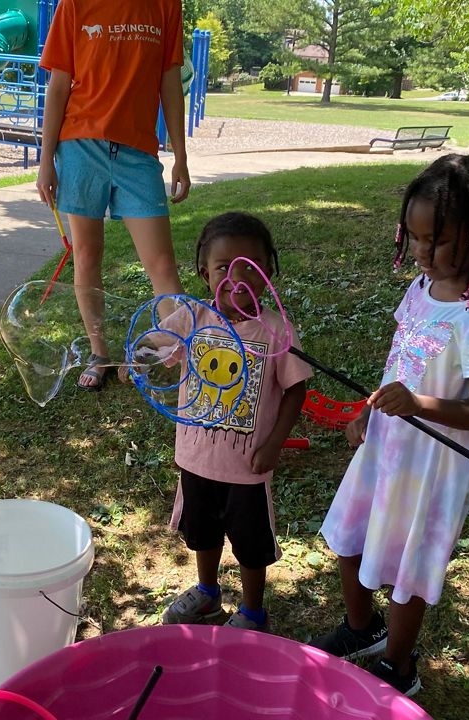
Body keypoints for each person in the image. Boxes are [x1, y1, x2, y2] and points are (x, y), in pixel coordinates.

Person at [309, 155, 469, 697]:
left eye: (438, 241)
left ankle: (398, 666)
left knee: (407, 568)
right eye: (416, 238)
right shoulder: (420, 292)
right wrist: (366, 410)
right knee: (349, 536)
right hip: (385, 447)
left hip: (431, 468)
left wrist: (420, 404)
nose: (423, 253)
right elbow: (398, 363)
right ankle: (362, 629)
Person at [156, 212, 311, 632]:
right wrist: (136, 358)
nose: (237, 276)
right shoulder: (192, 319)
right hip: (196, 460)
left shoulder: (276, 331)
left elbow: (296, 389)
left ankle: (253, 611)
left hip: (246, 469)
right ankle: (207, 593)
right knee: (202, 533)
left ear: (268, 273)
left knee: (250, 545)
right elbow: (158, 349)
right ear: (205, 273)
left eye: (250, 266)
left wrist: (275, 442)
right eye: (224, 266)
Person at [36, 0, 192, 390]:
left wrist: (181, 155)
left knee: (162, 263)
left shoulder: (165, 6)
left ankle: (174, 348)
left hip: (138, 152)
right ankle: (99, 353)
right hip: (79, 147)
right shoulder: (74, 5)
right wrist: (45, 162)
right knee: (87, 254)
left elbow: (169, 82)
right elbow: (58, 86)